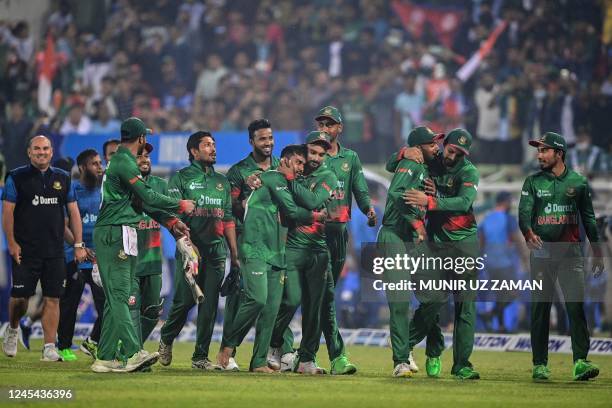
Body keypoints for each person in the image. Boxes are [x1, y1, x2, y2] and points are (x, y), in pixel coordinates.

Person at [92, 117, 194, 373]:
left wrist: (172, 223)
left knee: (119, 296)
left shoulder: (124, 162)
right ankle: (132, 351)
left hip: (124, 231)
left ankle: (104, 357)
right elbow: (148, 196)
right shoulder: (124, 161)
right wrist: (179, 206)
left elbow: (143, 203)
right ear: (140, 138)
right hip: (114, 231)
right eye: (144, 138)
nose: (145, 143)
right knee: (119, 295)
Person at [217, 144, 320, 372]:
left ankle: (259, 362)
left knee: (271, 310)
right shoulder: (274, 178)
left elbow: (306, 201)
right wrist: (317, 215)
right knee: (257, 299)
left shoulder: (288, 182)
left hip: (276, 251)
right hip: (255, 248)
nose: (302, 167)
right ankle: (228, 344)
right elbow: (294, 211)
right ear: (284, 161)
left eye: (304, 164)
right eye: (298, 162)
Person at [391, 128, 481, 380]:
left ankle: (462, 364)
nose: (454, 155)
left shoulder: (469, 171)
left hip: (464, 244)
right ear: (444, 146)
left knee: (465, 307)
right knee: (434, 300)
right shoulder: (431, 162)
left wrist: (430, 200)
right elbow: (393, 165)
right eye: (451, 149)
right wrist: (403, 152)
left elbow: (463, 203)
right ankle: (419, 347)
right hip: (435, 244)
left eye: (460, 153)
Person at [519, 132, 603, 381]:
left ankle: (580, 362)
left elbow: (588, 218)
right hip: (542, 252)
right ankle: (539, 365)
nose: (539, 155)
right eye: (538, 151)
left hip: (571, 252)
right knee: (540, 309)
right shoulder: (532, 182)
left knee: (575, 307)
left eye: (544, 150)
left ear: (559, 153)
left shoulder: (578, 182)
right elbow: (524, 213)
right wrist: (528, 232)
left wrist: (597, 252)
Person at [158, 131, 239, 371]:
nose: (213, 149)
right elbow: (172, 215)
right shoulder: (180, 178)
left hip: (216, 253)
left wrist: (234, 254)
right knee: (184, 302)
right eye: (207, 145)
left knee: (210, 304)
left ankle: (200, 357)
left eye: (214, 144)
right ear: (194, 151)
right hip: (189, 252)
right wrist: (184, 241)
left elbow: (227, 219)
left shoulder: (222, 182)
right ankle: (166, 336)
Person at [1, 135, 87, 361]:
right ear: (29, 152)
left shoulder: (63, 178)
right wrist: (11, 243)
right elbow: (7, 213)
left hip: (54, 250)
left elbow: (74, 213)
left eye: (46, 149)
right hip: (25, 250)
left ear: (51, 152)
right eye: (37, 149)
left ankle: (49, 347)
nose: (41, 152)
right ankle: (12, 328)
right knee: (20, 298)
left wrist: (78, 244)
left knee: (53, 298)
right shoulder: (16, 177)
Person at [269, 131, 339, 374]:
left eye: (322, 154)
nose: (317, 158)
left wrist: (288, 181)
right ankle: (274, 344)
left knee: (315, 308)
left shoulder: (329, 175)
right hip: (292, 246)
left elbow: (312, 201)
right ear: (303, 151)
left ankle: (307, 359)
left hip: (318, 249)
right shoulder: (291, 173)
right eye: (313, 152)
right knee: (291, 300)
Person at [313, 106, 376, 375]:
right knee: (325, 296)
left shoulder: (351, 158)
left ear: (339, 128)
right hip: (313, 234)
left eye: (330, 124)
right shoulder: (311, 155)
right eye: (321, 124)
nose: (325, 128)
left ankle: (298, 353)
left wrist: (368, 209)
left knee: (324, 296)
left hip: (339, 233)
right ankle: (335, 356)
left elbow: (360, 190)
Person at [377, 127, 441, 377]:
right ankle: (401, 361)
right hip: (395, 235)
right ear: (419, 148)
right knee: (400, 301)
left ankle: (406, 339)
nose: (437, 147)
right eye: (432, 143)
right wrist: (415, 221)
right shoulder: (412, 164)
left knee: (436, 295)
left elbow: (390, 163)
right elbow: (395, 193)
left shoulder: (425, 166)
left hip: (415, 240)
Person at [220, 118, 280, 371]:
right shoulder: (238, 171)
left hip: (276, 243)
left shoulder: (280, 167)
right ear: (251, 141)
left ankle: (259, 360)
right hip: (249, 241)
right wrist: (245, 192)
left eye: (270, 138)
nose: (268, 143)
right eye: (262, 139)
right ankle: (228, 349)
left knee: (271, 304)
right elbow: (230, 209)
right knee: (247, 298)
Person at [56, 150, 106, 361]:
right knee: (69, 305)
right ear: (83, 168)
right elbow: (63, 225)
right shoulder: (72, 190)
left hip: (99, 260)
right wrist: (79, 247)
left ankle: (92, 342)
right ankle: (64, 347)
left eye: (100, 163)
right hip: (74, 257)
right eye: (94, 164)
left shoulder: (105, 191)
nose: (100, 167)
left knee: (106, 306)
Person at [132, 143, 167, 346]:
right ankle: (128, 352)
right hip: (130, 261)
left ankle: (134, 350)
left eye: (147, 156)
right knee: (130, 311)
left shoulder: (160, 185)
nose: (145, 159)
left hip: (153, 260)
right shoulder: (123, 185)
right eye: (140, 156)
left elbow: (170, 215)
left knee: (153, 312)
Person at [478, 191, 527, 333]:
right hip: (505, 262)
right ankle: (491, 314)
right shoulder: (508, 218)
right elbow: (516, 239)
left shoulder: (487, 218)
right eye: (509, 201)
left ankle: (500, 326)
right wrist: (524, 258)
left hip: (490, 263)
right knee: (513, 293)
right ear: (505, 202)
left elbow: (481, 241)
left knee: (500, 294)